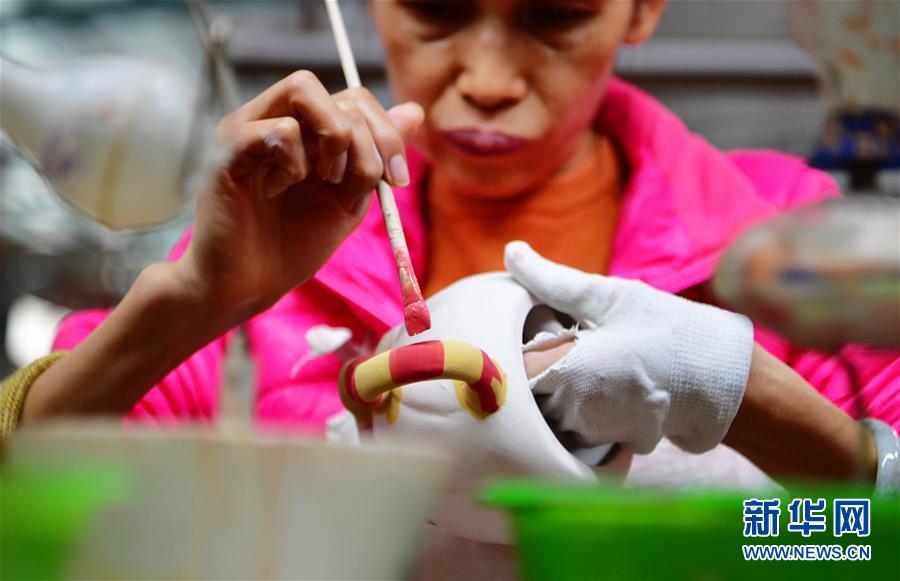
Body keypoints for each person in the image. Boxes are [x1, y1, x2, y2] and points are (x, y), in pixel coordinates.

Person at [2, 0, 897, 490]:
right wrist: (191, 300)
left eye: (556, 16)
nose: (488, 81)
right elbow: (33, 520)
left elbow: (867, 542)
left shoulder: (790, 245)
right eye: (434, 10)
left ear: (642, 9)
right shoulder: (266, 265)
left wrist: (755, 416)